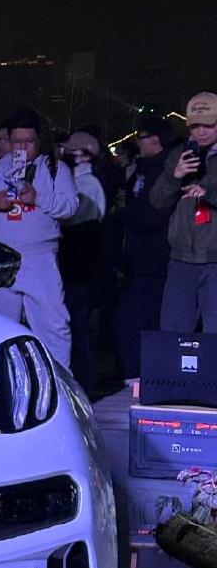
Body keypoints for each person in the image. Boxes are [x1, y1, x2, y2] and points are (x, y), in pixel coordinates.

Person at [0, 106, 79, 366]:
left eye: (29, 141)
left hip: (40, 257)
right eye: (16, 141)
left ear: (39, 140)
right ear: (8, 140)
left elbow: (70, 207)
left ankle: (59, 382)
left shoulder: (55, 169)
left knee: (54, 327)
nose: (22, 147)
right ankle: (0, 380)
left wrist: (38, 197)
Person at [113, 115, 174, 381]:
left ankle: (143, 375)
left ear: (155, 139)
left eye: (141, 137)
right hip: (136, 258)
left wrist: (126, 214)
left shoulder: (165, 170)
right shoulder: (141, 168)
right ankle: (139, 374)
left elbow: (153, 213)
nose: (137, 142)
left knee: (137, 318)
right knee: (134, 318)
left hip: (156, 258)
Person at [151, 92, 217, 332]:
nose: (201, 132)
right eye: (195, 126)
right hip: (181, 260)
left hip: (215, 260)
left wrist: (208, 194)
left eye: (208, 125)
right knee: (174, 333)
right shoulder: (179, 154)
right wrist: (174, 176)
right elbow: (157, 201)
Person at [58, 132, 107, 392]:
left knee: (77, 325)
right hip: (74, 265)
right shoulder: (76, 181)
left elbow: (73, 221)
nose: (65, 153)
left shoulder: (88, 185)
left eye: (71, 150)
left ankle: (82, 383)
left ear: (85, 155)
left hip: (78, 266)